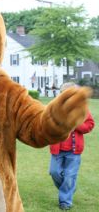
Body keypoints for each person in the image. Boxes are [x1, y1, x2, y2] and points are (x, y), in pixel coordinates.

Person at [49, 82, 95, 211]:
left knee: (70, 176)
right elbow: (47, 122)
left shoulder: (82, 109)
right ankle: (69, 188)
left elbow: (90, 124)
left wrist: (76, 125)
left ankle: (65, 202)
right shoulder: (55, 108)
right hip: (57, 149)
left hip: (74, 152)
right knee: (54, 172)